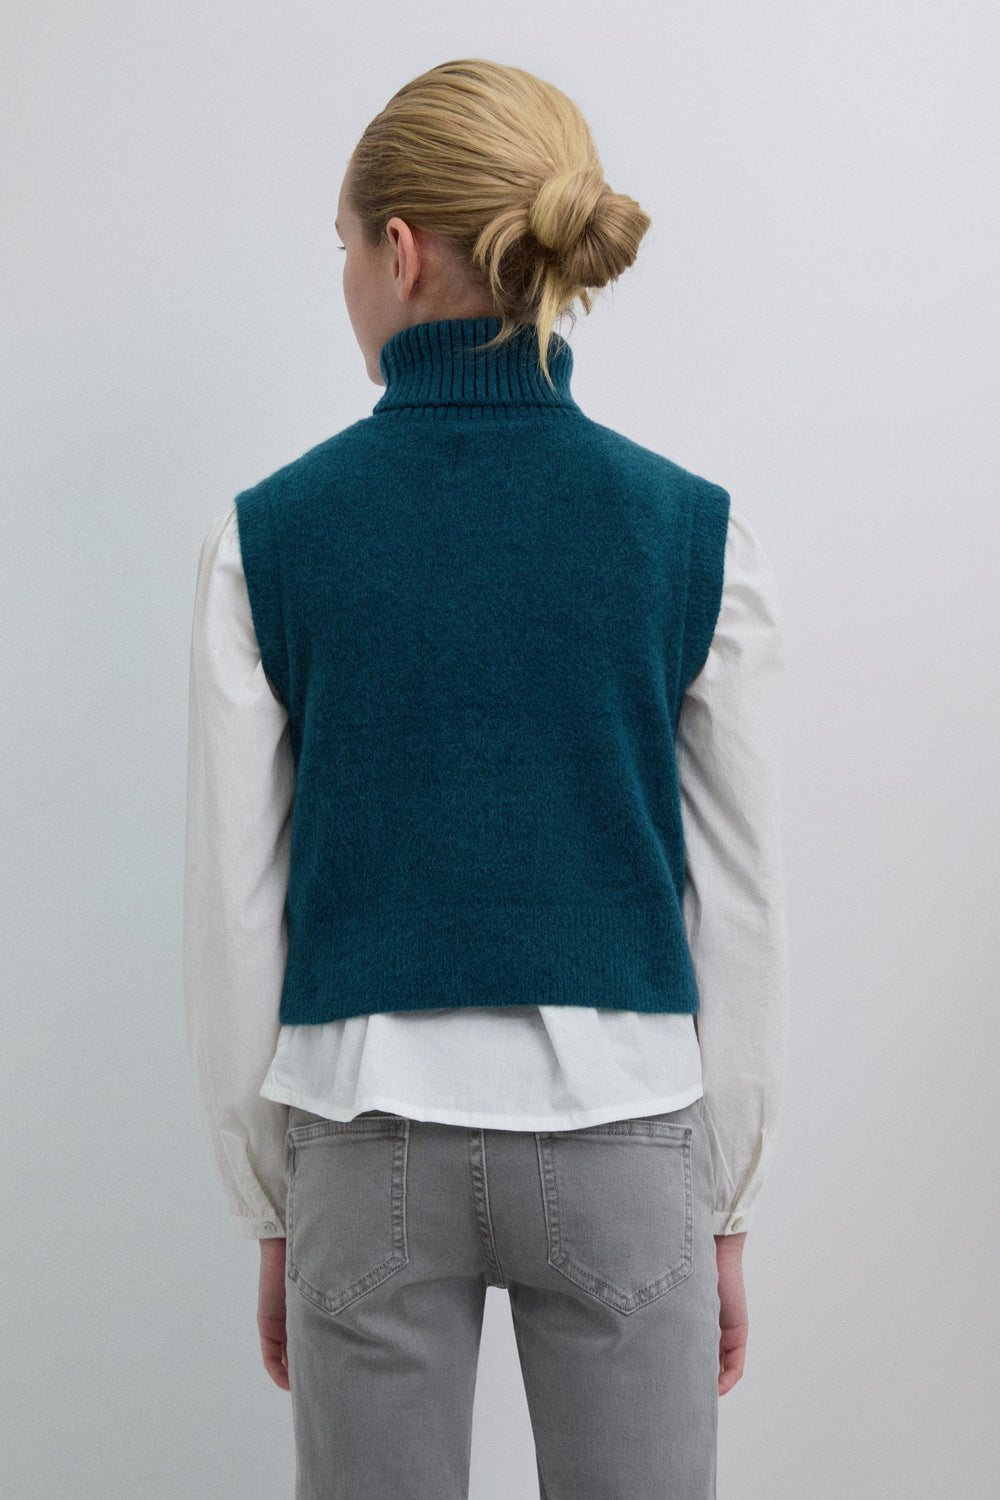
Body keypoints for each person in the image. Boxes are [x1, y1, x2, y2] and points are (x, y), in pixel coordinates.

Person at [184, 57, 787, 1500]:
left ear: (399, 251)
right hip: (627, 1129)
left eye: (345, 247)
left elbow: (235, 911)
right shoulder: (693, 535)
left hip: (361, 1134)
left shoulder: (268, 540)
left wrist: (269, 1203)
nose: (346, 280)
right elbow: (743, 906)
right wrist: (727, 1199)